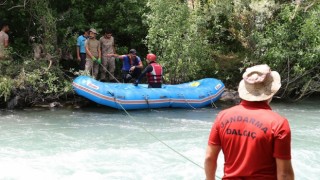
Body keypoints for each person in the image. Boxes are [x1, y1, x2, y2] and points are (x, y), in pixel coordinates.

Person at [205, 64, 294, 180]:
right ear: (271, 91)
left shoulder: (222, 117)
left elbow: (209, 158)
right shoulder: (278, 123)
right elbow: (284, 174)